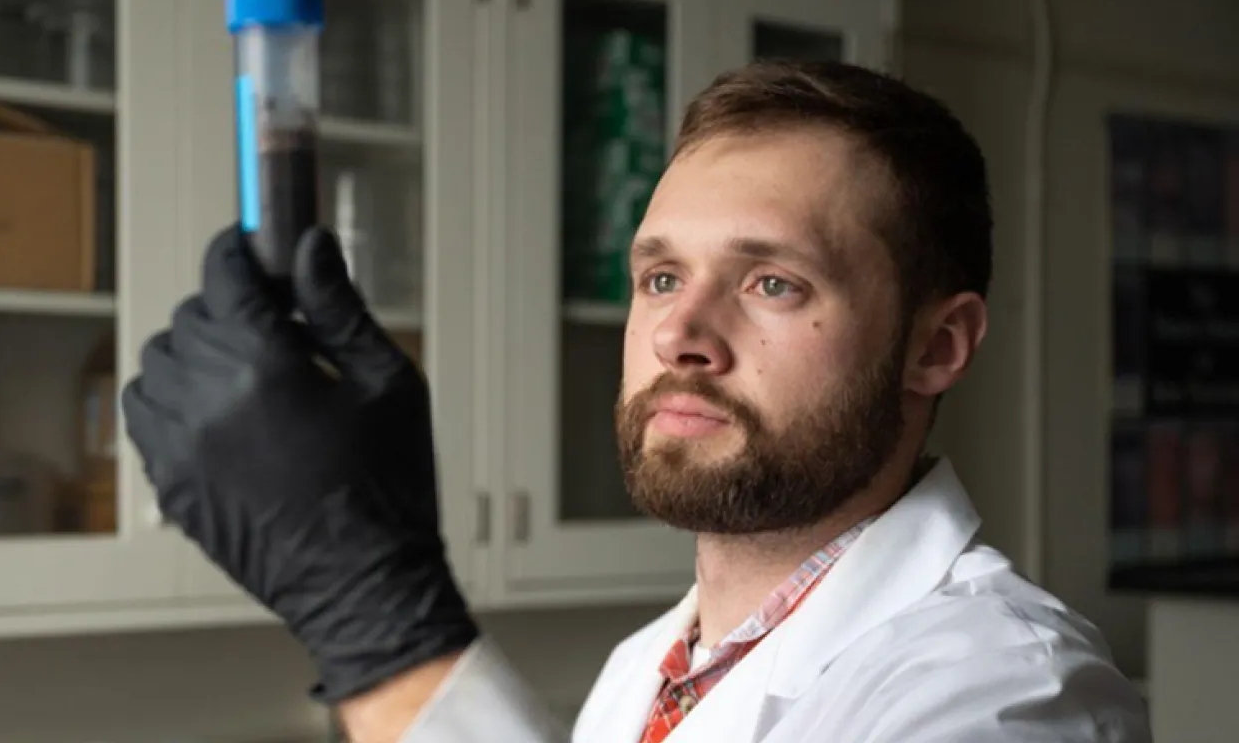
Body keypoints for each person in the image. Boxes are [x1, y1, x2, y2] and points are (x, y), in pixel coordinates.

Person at [121, 61, 1152, 743]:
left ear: (936, 344)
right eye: (660, 277)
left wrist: (384, 630)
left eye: (770, 282)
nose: (678, 333)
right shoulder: (646, 672)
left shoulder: (1007, 696)